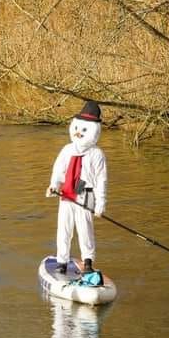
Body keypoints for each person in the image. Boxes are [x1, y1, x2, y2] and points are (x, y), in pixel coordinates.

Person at [46, 101, 107, 275]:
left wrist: (100, 204)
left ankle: (88, 262)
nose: (79, 133)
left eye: (84, 130)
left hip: (85, 194)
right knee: (63, 229)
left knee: (85, 229)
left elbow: (101, 180)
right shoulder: (67, 150)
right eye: (78, 128)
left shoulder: (97, 154)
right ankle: (62, 261)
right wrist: (53, 185)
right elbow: (58, 170)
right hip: (66, 193)